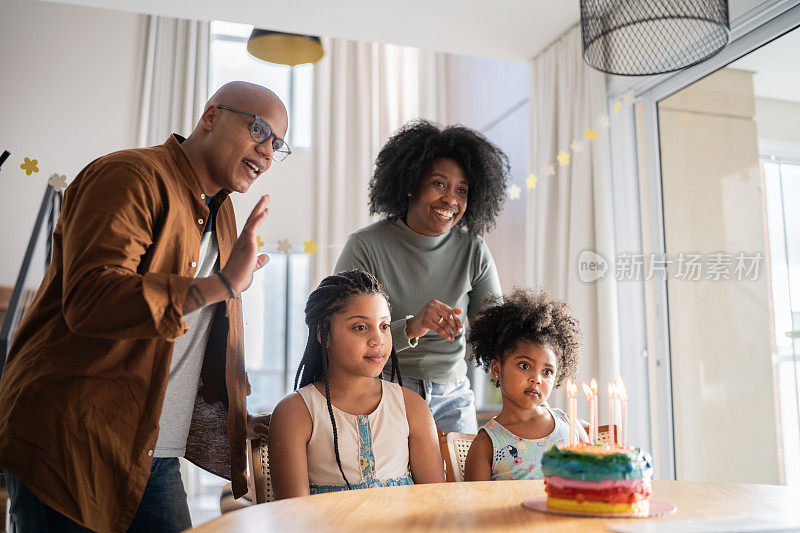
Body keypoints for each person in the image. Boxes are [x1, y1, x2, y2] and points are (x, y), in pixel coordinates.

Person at [0, 81, 286, 532]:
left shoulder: (225, 213)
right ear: (211, 116)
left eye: (278, 144)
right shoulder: (128, 176)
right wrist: (222, 284)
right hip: (72, 442)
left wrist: (236, 414)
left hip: (153, 452)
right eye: (259, 130)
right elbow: (92, 300)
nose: (267, 152)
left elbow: (198, 339)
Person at [334, 120, 510, 434]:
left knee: (459, 485)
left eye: (462, 190)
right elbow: (343, 335)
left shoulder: (474, 251)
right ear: (411, 183)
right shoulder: (365, 246)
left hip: (453, 397)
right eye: (439, 184)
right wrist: (414, 326)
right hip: (383, 389)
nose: (450, 199)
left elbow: (496, 333)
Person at [268, 270, 444, 499]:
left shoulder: (412, 407)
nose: (378, 340)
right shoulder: (294, 413)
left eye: (384, 326)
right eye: (360, 327)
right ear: (324, 334)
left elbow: (436, 503)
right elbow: (294, 516)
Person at [463, 287, 588, 481]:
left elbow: (594, 485)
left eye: (547, 372)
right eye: (524, 365)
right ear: (496, 369)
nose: (537, 379)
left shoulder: (571, 427)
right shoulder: (486, 445)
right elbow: (477, 509)